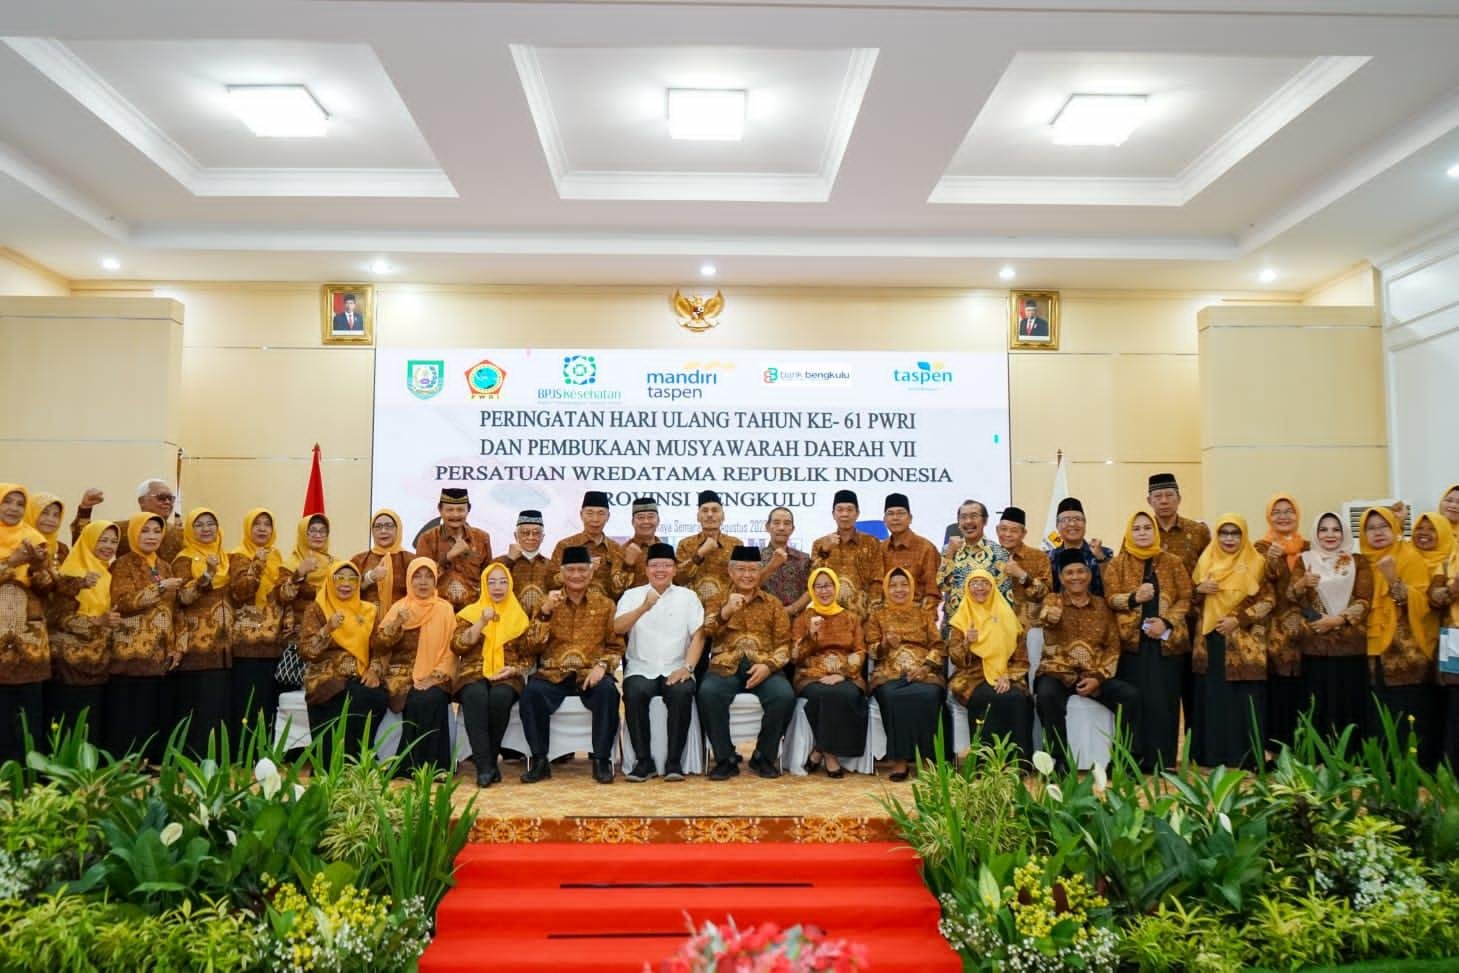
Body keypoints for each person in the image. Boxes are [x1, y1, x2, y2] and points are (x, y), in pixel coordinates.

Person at [518, 546, 624, 784]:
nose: (577, 575)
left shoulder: (605, 605)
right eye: (571, 570)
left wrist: (603, 667)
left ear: (590, 573)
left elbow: (616, 646)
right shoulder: (547, 603)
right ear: (562, 574)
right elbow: (530, 647)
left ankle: (601, 760)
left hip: (590, 674)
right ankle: (540, 760)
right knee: (531, 693)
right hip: (553, 674)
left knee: (608, 693)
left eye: (582, 570)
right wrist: (545, 613)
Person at [1101, 511, 1192, 770]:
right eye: (1137, 528)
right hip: (1132, 645)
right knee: (1136, 701)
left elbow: (1186, 598)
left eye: (1147, 528)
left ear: (1154, 531)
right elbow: (1110, 598)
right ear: (1129, 532)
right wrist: (1133, 598)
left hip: (1166, 643)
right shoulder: (1118, 564)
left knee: (1165, 702)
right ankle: (1133, 760)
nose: (1142, 533)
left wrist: (1167, 622)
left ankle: (1163, 762)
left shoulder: (1173, 562)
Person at [697, 545, 795, 780]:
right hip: (724, 668)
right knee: (708, 693)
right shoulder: (717, 599)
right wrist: (726, 611)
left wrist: (769, 666)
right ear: (731, 572)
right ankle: (725, 757)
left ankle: (764, 755)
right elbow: (707, 631)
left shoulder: (773, 604)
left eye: (752, 570)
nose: (747, 575)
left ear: (760, 572)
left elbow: (785, 646)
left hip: (763, 667)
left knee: (784, 696)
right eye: (741, 569)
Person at [1035, 549, 1138, 770]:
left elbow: (1112, 647)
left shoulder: (1102, 606)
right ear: (1061, 577)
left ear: (1089, 574)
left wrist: (1098, 679)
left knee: (1130, 696)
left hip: (1094, 674)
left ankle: (1121, 761)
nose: (1075, 577)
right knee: (1046, 695)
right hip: (1058, 672)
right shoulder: (1053, 600)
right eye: (1069, 573)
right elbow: (1046, 615)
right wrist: (1050, 616)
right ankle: (1060, 759)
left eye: (1080, 571)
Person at [615, 542, 705, 782]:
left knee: (682, 692)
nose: (661, 570)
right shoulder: (632, 595)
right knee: (634, 693)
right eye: (655, 565)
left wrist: (687, 668)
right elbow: (617, 627)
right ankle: (644, 762)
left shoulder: (688, 597)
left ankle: (674, 762)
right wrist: (643, 607)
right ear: (646, 569)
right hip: (640, 668)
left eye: (666, 565)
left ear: (675, 569)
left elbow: (699, 635)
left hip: (676, 667)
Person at [1191, 515, 1274, 769]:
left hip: (1244, 641)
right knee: (1214, 697)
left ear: (1244, 535)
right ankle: (1212, 756)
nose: (1229, 538)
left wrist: (1238, 620)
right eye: (1224, 533)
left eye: (1235, 533)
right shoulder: (1205, 561)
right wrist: (1198, 591)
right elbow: (1188, 601)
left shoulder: (1258, 562)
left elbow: (1268, 600)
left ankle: (1247, 756)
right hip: (1210, 637)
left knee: (1243, 698)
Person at [1358, 506, 1439, 765]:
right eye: (1371, 528)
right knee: (1380, 710)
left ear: (1394, 528)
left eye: (1383, 526)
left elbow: (1423, 600)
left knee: (1409, 709)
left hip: (1406, 649)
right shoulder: (1359, 562)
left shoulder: (1409, 556)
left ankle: (1414, 770)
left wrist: (1393, 580)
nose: (1378, 532)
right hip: (1371, 648)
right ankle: (1386, 771)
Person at [1288, 511, 1370, 741]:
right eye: (1323, 529)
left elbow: (1365, 601)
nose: (1330, 534)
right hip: (1315, 645)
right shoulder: (1305, 560)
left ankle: (1350, 757)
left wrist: (1337, 620)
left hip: (1349, 645)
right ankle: (1319, 756)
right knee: (1317, 703)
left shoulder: (1357, 561)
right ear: (1315, 532)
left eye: (1336, 529)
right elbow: (1290, 597)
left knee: (1348, 703)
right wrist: (1302, 583)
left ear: (1344, 532)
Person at [105, 512, 181, 761]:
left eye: (156, 531)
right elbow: (123, 601)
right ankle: (127, 762)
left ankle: (149, 760)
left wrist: (175, 645)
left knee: (153, 709)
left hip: (158, 653)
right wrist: (158, 588)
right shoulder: (124, 564)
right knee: (130, 709)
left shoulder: (164, 566)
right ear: (134, 534)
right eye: (145, 531)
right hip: (131, 651)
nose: (151, 536)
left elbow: (173, 609)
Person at [297, 561, 389, 765]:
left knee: (376, 696)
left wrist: (374, 671)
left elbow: (378, 647)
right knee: (345, 695)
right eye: (340, 578)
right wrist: (327, 630)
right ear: (330, 580)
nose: (346, 584)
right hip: (326, 674)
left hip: (360, 673)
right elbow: (307, 652)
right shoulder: (318, 608)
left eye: (352, 579)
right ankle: (334, 762)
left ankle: (360, 758)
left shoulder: (367, 610)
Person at [374, 557, 458, 775]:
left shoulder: (445, 609)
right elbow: (380, 645)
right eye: (417, 576)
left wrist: (434, 678)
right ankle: (407, 765)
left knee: (432, 698)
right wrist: (397, 623)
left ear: (435, 580)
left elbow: (451, 651)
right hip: (399, 674)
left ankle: (434, 768)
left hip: (434, 674)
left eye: (428, 576)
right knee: (413, 698)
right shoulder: (400, 608)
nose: (423, 582)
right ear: (410, 580)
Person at [1146, 472, 1210, 754]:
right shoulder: (1142, 531)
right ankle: (1166, 754)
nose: (1163, 501)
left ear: (1179, 498)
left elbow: (1213, 566)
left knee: (1197, 690)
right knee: (1166, 691)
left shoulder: (1197, 531)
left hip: (1195, 620)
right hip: (1160, 625)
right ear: (1148, 501)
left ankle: (1198, 753)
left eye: (1168, 495)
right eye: (1157, 497)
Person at [453, 562, 531, 788]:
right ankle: (486, 766)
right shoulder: (469, 613)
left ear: (510, 584)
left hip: (507, 672)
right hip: (473, 671)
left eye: (503, 581)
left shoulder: (519, 616)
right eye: (492, 581)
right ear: (484, 585)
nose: (498, 587)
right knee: (475, 696)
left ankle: (485, 764)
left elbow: (529, 656)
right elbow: (458, 646)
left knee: (499, 697)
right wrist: (481, 622)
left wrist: (514, 669)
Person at [866, 566, 945, 780]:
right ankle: (900, 761)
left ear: (911, 587)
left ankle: (929, 760)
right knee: (892, 697)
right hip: (889, 672)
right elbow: (871, 650)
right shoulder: (878, 614)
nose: (899, 590)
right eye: (893, 586)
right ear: (886, 589)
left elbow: (938, 646)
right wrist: (884, 643)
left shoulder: (924, 613)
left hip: (923, 670)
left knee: (930, 695)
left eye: (903, 585)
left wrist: (926, 667)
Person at [46, 520, 119, 744]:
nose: (108, 546)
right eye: (102, 540)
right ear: (88, 541)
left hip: (97, 660)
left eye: (114, 541)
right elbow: (59, 617)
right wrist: (98, 621)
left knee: (91, 721)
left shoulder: (106, 573)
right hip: (70, 663)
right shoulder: (72, 572)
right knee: (69, 720)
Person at [949, 568, 1034, 762]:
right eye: (975, 583)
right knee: (984, 697)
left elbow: (1021, 658)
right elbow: (955, 658)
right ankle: (984, 762)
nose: (980, 588)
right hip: (972, 675)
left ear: (993, 586)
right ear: (967, 587)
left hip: (1006, 673)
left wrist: (1008, 676)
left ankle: (1017, 762)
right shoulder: (961, 617)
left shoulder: (1008, 616)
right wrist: (967, 643)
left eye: (985, 583)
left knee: (1016, 698)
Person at [792, 567, 868, 778]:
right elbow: (795, 656)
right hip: (811, 674)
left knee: (848, 694)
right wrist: (810, 635)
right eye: (819, 586)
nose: (824, 591)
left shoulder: (851, 618)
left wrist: (842, 674)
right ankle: (830, 756)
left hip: (846, 673)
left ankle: (819, 750)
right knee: (823, 695)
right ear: (812, 590)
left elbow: (861, 650)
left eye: (828, 585)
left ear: (836, 588)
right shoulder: (803, 618)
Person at [170, 508, 233, 757]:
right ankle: (194, 757)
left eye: (211, 523)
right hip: (196, 644)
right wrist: (206, 575)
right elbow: (183, 598)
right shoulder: (184, 559)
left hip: (225, 646)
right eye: (199, 525)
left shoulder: (225, 558)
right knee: (198, 702)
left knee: (218, 703)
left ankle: (218, 756)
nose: (206, 529)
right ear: (189, 529)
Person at [0, 484, 55, 761]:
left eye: (19, 504)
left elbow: (47, 589)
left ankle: (27, 772)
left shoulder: (34, 539)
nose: (13, 508)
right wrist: (12, 561)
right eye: (7, 502)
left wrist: (36, 566)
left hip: (30, 642)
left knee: (27, 708)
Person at [227, 509, 288, 738]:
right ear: (247, 528)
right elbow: (241, 591)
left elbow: (282, 595)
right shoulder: (238, 555)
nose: (262, 529)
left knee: (267, 701)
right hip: (246, 643)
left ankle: (264, 753)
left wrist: (297, 577)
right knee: (247, 700)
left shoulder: (276, 556)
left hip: (272, 641)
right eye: (257, 524)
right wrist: (257, 564)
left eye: (267, 524)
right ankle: (243, 754)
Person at [1257, 495, 1309, 751]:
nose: (1283, 516)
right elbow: (1257, 585)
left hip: (1308, 631)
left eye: (1289, 511)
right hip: (1272, 631)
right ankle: (1276, 749)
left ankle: (1303, 746)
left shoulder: (1309, 547)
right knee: (1276, 690)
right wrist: (1271, 560)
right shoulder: (1260, 547)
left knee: (1304, 688)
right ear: (1269, 516)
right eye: (1277, 512)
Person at [939, 500, 1012, 632]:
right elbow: (940, 586)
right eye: (963, 517)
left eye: (974, 516)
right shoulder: (947, 550)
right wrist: (949, 555)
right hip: (953, 629)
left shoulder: (999, 553)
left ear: (985, 521)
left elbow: (1005, 598)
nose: (968, 521)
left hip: (986, 630)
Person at [415, 489, 493, 609]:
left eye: (460, 510)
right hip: (436, 611)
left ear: (468, 510)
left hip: (473, 613)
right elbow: (420, 579)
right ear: (440, 510)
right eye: (450, 510)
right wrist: (448, 557)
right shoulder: (426, 539)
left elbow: (488, 577)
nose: (455, 515)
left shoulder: (482, 538)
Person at [811, 490, 884, 617]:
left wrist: (872, 616)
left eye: (850, 510)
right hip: (828, 617)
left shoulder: (871, 542)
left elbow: (877, 581)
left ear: (857, 514)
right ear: (833, 514)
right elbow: (813, 580)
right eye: (840, 510)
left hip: (863, 616)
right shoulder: (820, 544)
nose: (845, 514)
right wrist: (824, 552)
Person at [550, 491, 629, 601]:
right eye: (589, 513)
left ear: (608, 516)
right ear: (581, 515)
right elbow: (550, 583)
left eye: (601, 513)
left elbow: (621, 592)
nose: (595, 519)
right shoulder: (565, 545)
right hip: (569, 613)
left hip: (606, 612)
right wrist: (580, 568)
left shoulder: (616, 549)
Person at [675, 490, 744, 606]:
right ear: (698, 517)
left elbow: (743, 580)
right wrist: (700, 554)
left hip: (726, 611)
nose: (710, 515)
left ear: (723, 516)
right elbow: (677, 580)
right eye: (705, 510)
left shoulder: (736, 544)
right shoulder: (685, 544)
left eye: (715, 510)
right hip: (692, 609)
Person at [880, 493, 940, 621]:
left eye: (900, 513)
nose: (895, 518)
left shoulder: (926, 548)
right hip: (885, 620)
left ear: (910, 518)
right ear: (884, 520)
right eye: (890, 514)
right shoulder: (880, 549)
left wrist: (922, 625)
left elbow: (932, 593)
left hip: (917, 619)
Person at [97, 479, 185, 562]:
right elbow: (88, 543)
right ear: (142, 501)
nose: (167, 502)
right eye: (161, 497)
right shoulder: (122, 529)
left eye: (171, 498)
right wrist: (86, 509)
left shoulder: (179, 534)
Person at [494, 509, 555, 616]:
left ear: (542, 537)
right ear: (516, 536)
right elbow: (488, 589)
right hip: (509, 625)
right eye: (525, 533)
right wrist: (510, 560)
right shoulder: (500, 563)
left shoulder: (551, 565)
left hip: (541, 626)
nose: (530, 537)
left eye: (536, 533)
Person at [1047, 498, 1112, 597]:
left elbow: (1112, 588)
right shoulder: (1048, 558)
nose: (1072, 524)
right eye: (1066, 520)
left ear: (1085, 524)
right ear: (1057, 525)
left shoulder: (1104, 553)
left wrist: (1101, 559)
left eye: (1077, 519)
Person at [353, 509, 409, 616]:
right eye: (378, 526)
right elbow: (346, 590)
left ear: (398, 529)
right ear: (372, 531)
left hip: (401, 622)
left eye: (389, 526)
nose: (383, 531)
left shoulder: (410, 560)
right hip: (366, 622)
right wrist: (370, 578)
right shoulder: (359, 560)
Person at [759, 506, 812, 617]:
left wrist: (791, 609)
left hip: (796, 622)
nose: (781, 528)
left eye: (787, 523)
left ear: (792, 529)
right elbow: (749, 586)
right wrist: (771, 566)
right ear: (767, 527)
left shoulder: (803, 559)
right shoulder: (756, 558)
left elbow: (810, 590)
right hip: (763, 620)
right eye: (776, 523)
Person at [622, 497, 666, 590]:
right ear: (633, 522)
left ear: (658, 521)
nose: (646, 521)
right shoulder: (621, 551)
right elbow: (615, 592)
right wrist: (628, 565)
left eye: (651, 517)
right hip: (632, 603)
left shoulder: (667, 551)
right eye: (641, 517)